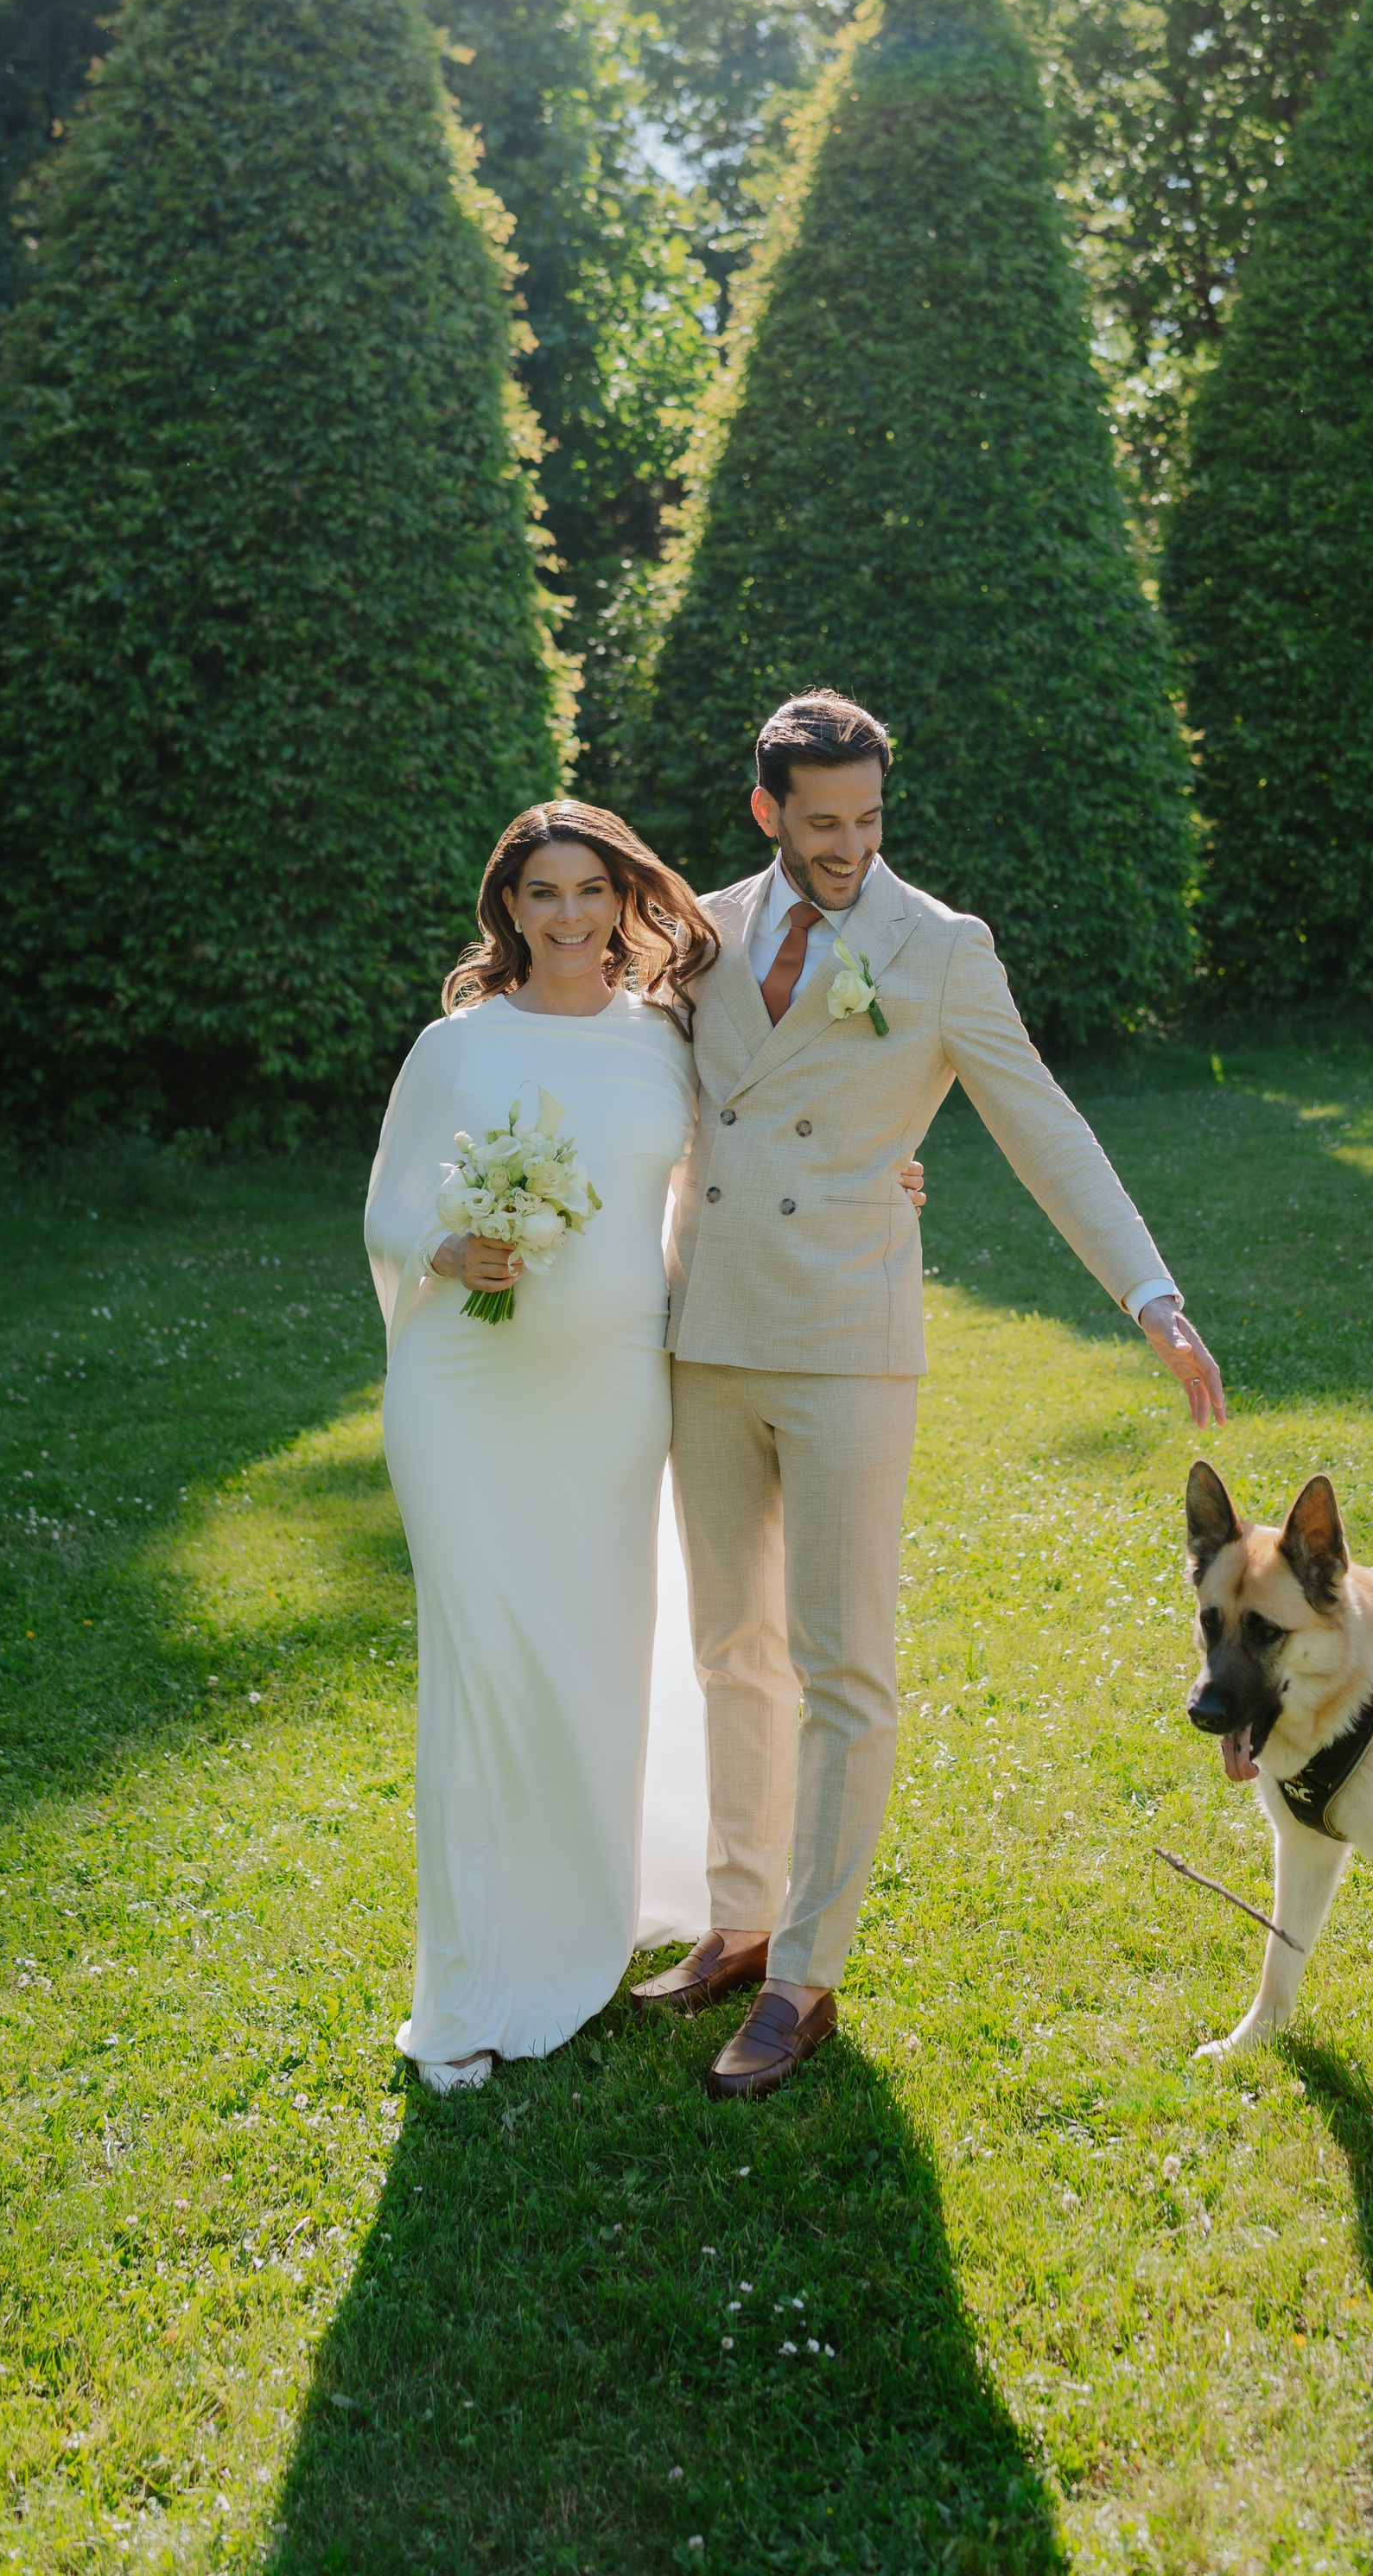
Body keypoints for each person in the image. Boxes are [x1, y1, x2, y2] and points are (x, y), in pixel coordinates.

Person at [639, 690, 1228, 2101]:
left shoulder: (943, 947)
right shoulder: (697, 932)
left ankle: (803, 1978)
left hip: (847, 1335)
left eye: (870, 819)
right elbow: (642, 1100)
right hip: (704, 1330)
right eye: (822, 822)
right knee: (731, 1646)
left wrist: (1151, 1294)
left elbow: (1045, 1127)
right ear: (768, 810)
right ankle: (739, 1917)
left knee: (843, 1665)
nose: (849, 847)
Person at [364, 794, 927, 2092]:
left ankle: (577, 1930)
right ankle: (467, 1983)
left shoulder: (667, 1037)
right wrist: (448, 1247)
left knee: (590, 1662)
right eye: (542, 893)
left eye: (590, 891)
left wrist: (879, 1174)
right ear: (508, 910)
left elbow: (758, 1147)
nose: (567, 915)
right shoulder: (453, 1048)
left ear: (624, 902)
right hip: (463, 1393)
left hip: (616, 1397)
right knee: (479, 1670)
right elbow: (388, 1206)